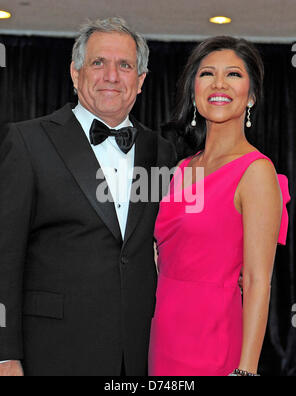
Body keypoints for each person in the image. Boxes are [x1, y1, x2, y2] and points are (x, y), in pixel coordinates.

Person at [0, 17, 176, 376]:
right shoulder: (27, 141)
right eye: (98, 63)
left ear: (140, 81)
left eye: (125, 65)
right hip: (49, 351)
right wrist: (5, 356)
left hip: (140, 353)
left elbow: (160, 245)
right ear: (75, 72)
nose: (112, 75)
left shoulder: (162, 152)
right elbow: (4, 256)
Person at [149, 36, 291, 376]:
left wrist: (246, 370)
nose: (219, 83)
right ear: (194, 92)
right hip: (162, 339)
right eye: (207, 73)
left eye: (234, 75)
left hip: (214, 343)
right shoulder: (181, 169)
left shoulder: (256, 172)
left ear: (251, 96)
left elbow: (258, 280)